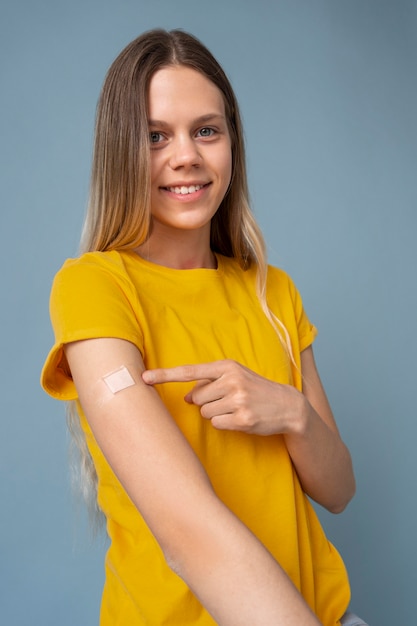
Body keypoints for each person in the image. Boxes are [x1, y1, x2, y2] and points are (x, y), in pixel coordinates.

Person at [41, 29, 368, 626]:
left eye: (206, 130)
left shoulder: (274, 292)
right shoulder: (95, 286)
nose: (185, 155)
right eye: (155, 136)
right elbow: (188, 531)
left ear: (231, 145)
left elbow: (339, 489)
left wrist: (292, 411)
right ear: (119, 150)